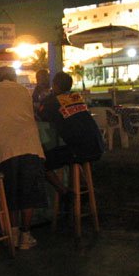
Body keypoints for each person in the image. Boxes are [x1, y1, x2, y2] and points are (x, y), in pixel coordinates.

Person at [0, 66, 48, 250]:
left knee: (10, 192)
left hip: (5, 149)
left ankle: (12, 234)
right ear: (13, 77)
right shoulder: (23, 90)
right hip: (29, 144)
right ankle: (25, 236)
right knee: (28, 193)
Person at [37, 71, 104, 201]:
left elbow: (41, 113)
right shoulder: (76, 97)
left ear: (55, 86)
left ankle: (65, 192)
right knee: (71, 156)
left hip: (79, 150)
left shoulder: (53, 101)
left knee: (41, 162)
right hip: (97, 146)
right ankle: (84, 186)